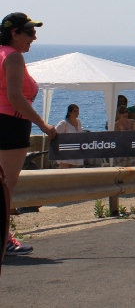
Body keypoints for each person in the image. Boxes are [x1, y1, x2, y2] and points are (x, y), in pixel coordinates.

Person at [0, 13, 57, 258]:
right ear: (14, 33)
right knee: (5, 188)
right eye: (30, 32)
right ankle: (4, 241)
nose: (34, 38)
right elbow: (15, 97)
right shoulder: (13, 57)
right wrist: (43, 124)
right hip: (11, 124)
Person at [54, 104, 84, 168]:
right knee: (64, 171)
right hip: (66, 151)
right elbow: (55, 133)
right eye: (74, 111)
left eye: (77, 111)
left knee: (74, 172)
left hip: (76, 150)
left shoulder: (79, 122)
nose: (77, 113)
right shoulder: (64, 123)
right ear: (70, 112)